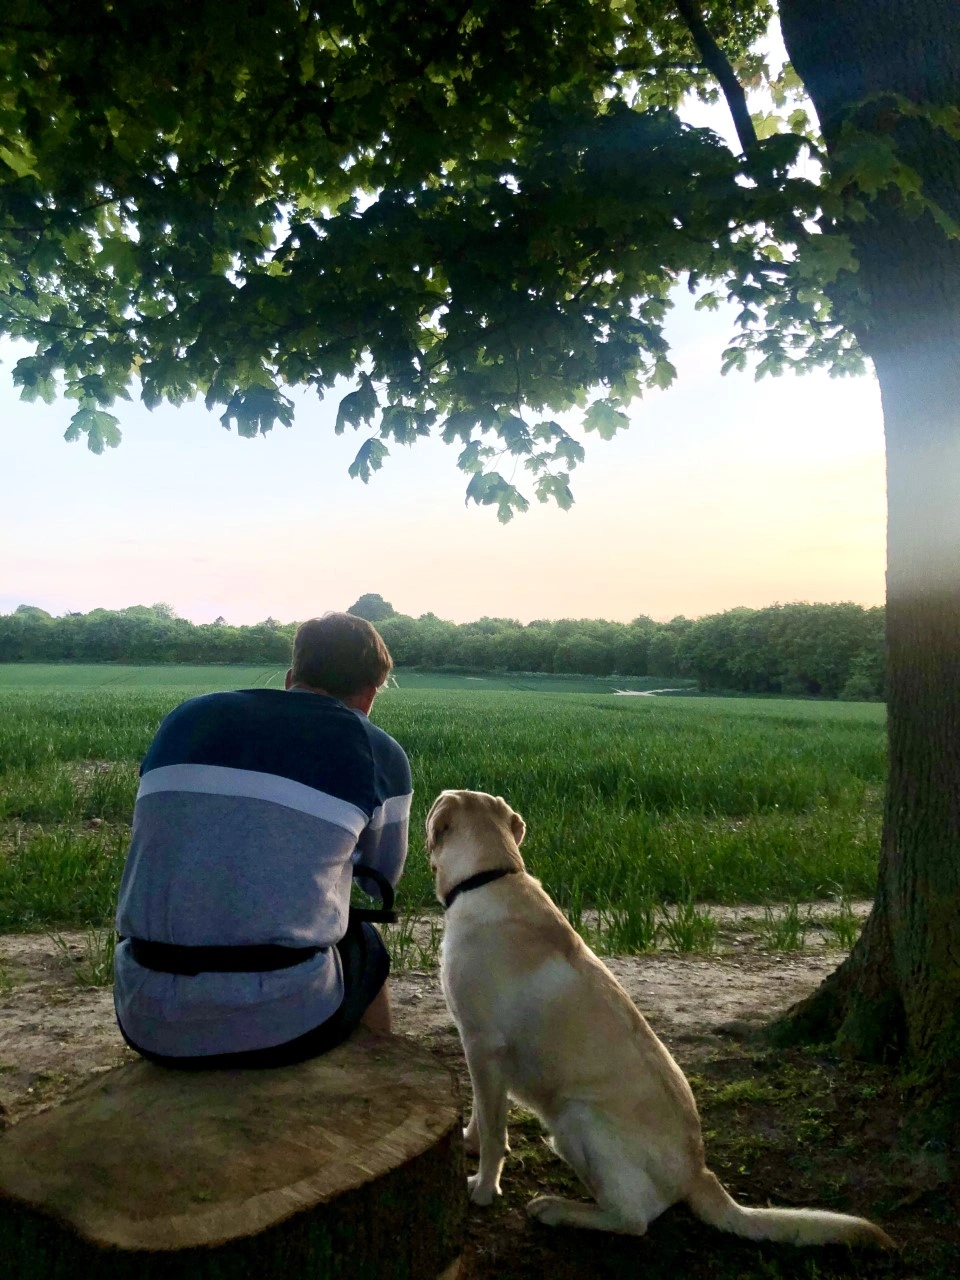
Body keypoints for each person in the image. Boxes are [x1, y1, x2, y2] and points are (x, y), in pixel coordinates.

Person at [113, 612, 411, 1068]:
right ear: (370, 694)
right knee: (363, 939)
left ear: (292, 677)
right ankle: (379, 1082)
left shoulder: (186, 718)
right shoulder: (376, 749)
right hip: (282, 1021)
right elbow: (378, 883)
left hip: (144, 1010)